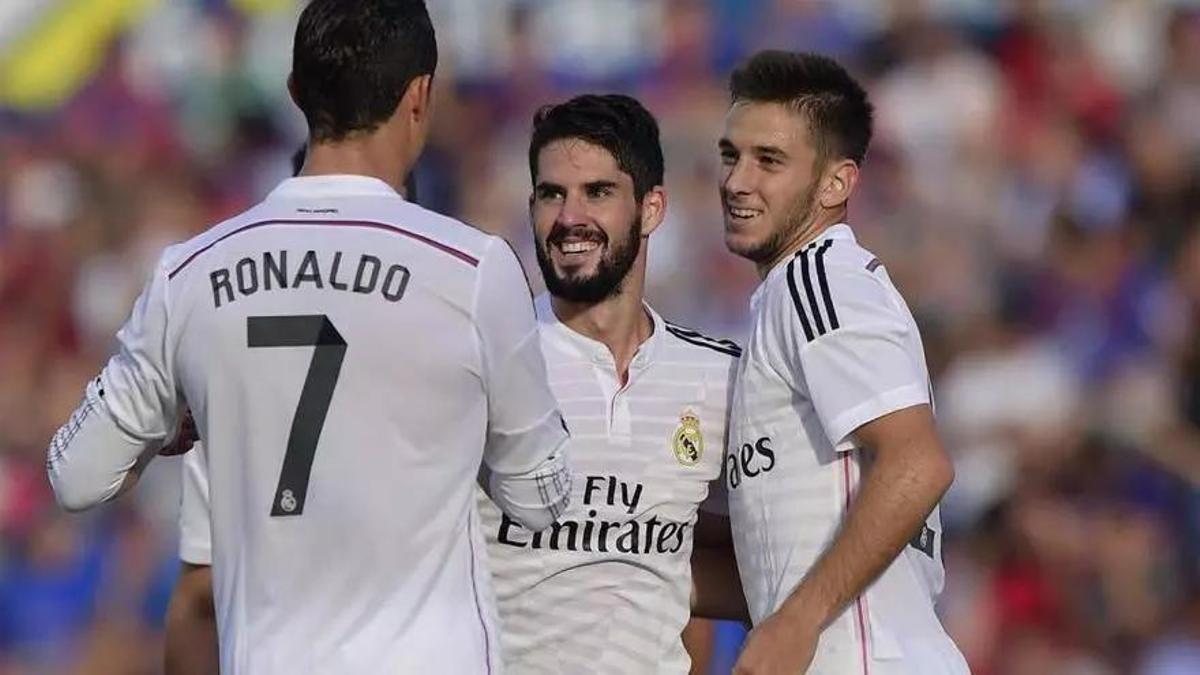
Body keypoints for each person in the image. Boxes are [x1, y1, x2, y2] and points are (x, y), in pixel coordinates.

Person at [45, 1, 572, 673]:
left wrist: (169, 425)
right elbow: (540, 500)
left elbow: (75, 474)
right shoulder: (472, 268)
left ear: (296, 92)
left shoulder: (189, 273)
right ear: (420, 95)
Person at [164, 94, 748, 674]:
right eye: (552, 194)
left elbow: (730, 558)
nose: (571, 216)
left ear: (652, 208)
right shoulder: (467, 355)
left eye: (597, 192)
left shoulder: (717, 376)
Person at [716, 50, 968, 674]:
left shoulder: (818, 278)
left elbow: (918, 463)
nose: (737, 181)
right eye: (731, 155)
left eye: (768, 160)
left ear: (836, 183)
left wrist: (796, 622)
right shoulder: (787, 297)